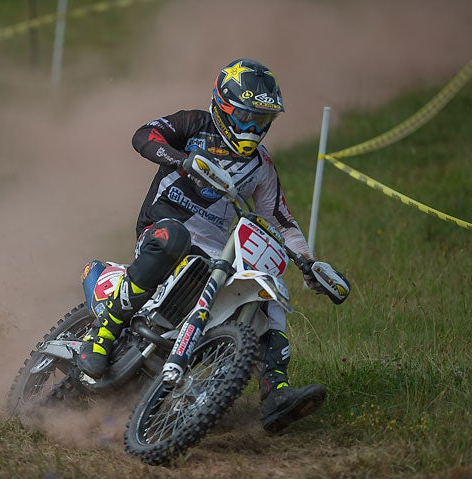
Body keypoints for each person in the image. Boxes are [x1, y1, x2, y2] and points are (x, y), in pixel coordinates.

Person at [77, 58, 329, 433]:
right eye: (246, 118)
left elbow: (282, 221)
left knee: (269, 292)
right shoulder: (193, 124)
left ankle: (274, 390)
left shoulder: (261, 166)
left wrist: (308, 263)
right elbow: (143, 136)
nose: (252, 129)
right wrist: (183, 161)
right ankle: (103, 334)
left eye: (261, 122)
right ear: (224, 107)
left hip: (215, 257)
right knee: (174, 238)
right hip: (162, 229)